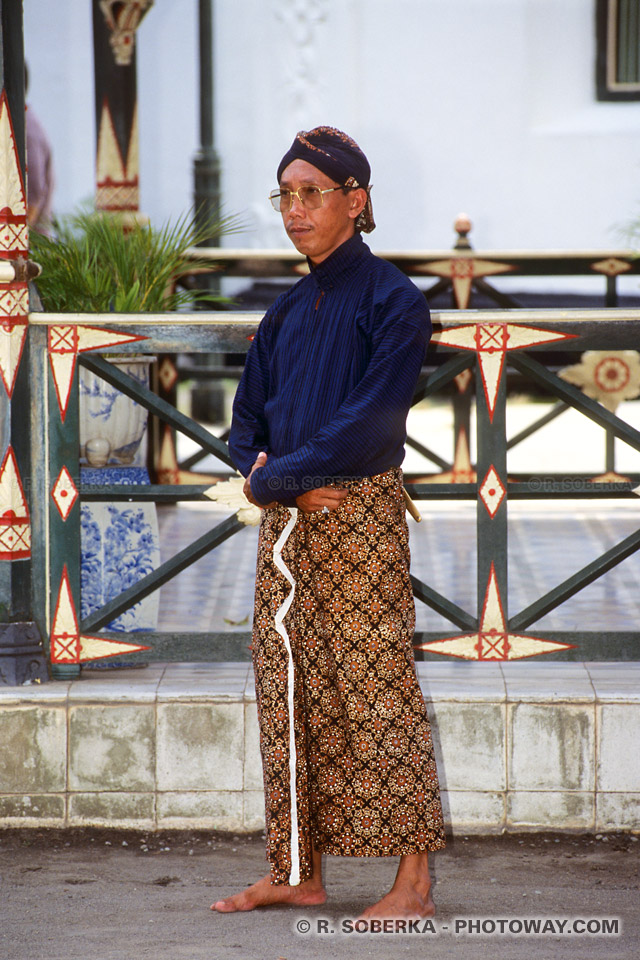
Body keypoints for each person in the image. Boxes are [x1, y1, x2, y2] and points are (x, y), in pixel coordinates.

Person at [215, 126, 446, 919]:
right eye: (286, 194)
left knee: (375, 690)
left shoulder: (394, 302)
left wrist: (283, 479)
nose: (295, 209)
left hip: (357, 520)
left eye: (313, 192)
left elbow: (371, 420)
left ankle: (412, 883)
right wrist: (272, 482)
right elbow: (244, 423)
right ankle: (296, 870)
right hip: (287, 526)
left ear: (357, 200)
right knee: (286, 690)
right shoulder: (282, 312)